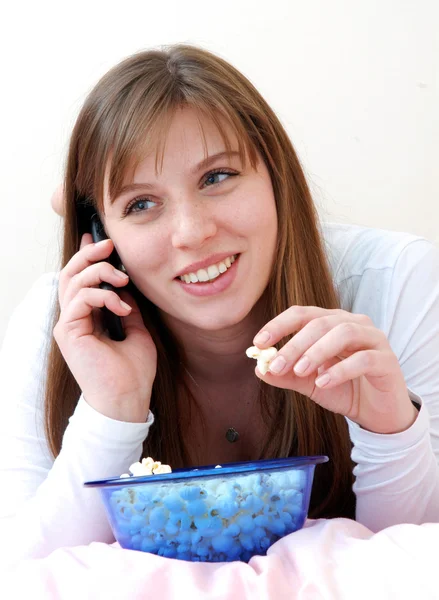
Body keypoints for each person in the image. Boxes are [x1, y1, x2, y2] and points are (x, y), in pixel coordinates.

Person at [0, 44, 438, 565]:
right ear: (101, 235)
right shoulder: (57, 325)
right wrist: (111, 411)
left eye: (217, 177)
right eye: (140, 204)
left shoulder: (397, 282)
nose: (193, 233)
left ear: (277, 176)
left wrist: (389, 429)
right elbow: (23, 574)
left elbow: (419, 568)